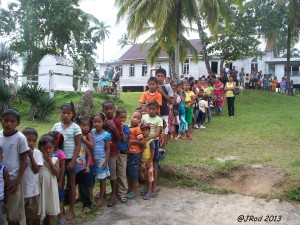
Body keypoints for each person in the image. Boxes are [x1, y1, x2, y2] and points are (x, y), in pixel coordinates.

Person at [52, 103, 82, 220]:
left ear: (73, 115)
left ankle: (72, 210)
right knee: (60, 183)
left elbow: (78, 145)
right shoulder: (56, 126)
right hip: (58, 159)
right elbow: (52, 140)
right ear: (61, 113)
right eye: (63, 112)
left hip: (70, 159)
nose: (65, 115)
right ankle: (61, 208)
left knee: (71, 184)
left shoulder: (75, 127)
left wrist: (73, 161)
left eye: (68, 113)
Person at [0, 109, 29, 225]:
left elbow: (24, 162)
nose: (8, 124)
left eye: (12, 121)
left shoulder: (20, 138)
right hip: (1, 180)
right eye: (6, 120)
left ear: (18, 123)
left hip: (13, 180)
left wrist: (17, 182)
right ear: (1, 120)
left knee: (13, 215)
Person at [102, 100, 123, 207]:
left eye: (111, 109)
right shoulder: (101, 121)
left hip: (113, 152)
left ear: (114, 109)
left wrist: (114, 128)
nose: (109, 111)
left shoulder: (117, 121)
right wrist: (103, 125)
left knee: (113, 175)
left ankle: (114, 194)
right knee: (102, 174)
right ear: (103, 110)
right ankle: (103, 193)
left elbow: (119, 138)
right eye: (107, 109)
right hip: (102, 152)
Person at [22, 128, 43, 225]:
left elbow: (36, 170)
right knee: (18, 216)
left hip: (33, 192)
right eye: (28, 140)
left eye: (34, 141)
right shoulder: (19, 153)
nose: (31, 143)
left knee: (32, 217)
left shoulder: (37, 153)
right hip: (20, 191)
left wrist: (31, 156)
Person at [141, 101, 163, 196]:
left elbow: (157, 134)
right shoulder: (144, 117)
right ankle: (147, 186)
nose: (151, 110)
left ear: (157, 109)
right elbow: (140, 128)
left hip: (154, 142)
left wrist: (147, 138)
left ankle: (154, 186)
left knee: (154, 164)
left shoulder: (159, 119)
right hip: (144, 142)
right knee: (145, 164)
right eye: (150, 108)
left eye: (154, 109)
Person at [38, 134, 60, 225]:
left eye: (50, 148)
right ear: (40, 149)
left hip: (50, 186)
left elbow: (57, 173)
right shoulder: (38, 157)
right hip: (40, 184)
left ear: (54, 148)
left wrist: (49, 162)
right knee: (39, 204)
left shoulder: (55, 159)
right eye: (44, 148)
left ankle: (48, 222)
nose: (47, 150)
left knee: (49, 206)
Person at [91, 113, 111, 207]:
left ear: (103, 122)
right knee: (92, 178)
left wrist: (106, 162)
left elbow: (107, 149)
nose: (97, 124)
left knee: (102, 179)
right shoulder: (91, 132)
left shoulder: (106, 135)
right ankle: (89, 196)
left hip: (101, 160)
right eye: (95, 122)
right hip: (92, 159)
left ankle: (102, 196)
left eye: (99, 122)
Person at [48, 131, 66, 225]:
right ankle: (49, 217)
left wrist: (60, 181)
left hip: (58, 181)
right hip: (49, 181)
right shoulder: (46, 151)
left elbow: (63, 168)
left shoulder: (60, 153)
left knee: (60, 198)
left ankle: (60, 217)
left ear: (55, 142)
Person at [76, 116, 93, 212]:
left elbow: (89, 154)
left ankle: (86, 205)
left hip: (82, 167)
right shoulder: (74, 140)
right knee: (70, 186)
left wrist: (87, 166)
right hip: (73, 167)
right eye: (83, 125)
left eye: (87, 125)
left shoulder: (84, 141)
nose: (86, 127)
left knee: (83, 186)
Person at [126, 111, 144, 199]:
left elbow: (141, 141)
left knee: (133, 173)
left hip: (135, 154)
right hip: (128, 153)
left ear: (140, 121)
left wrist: (131, 141)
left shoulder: (137, 129)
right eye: (134, 117)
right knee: (128, 173)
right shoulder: (128, 128)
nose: (135, 119)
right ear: (130, 117)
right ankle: (129, 189)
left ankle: (133, 190)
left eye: (138, 118)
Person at [155, 68, 173, 152]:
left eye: (162, 76)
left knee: (164, 130)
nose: (160, 78)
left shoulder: (168, 86)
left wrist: (162, 93)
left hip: (164, 111)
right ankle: (155, 147)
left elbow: (171, 100)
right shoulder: (153, 85)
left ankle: (162, 149)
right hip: (154, 112)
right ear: (155, 76)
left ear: (165, 77)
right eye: (158, 76)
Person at [115, 107, 129, 203]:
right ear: (116, 117)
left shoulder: (126, 127)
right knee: (114, 174)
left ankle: (123, 193)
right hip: (113, 153)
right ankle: (115, 192)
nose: (122, 120)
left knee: (121, 173)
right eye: (120, 118)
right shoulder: (113, 126)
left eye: (124, 118)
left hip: (122, 153)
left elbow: (124, 139)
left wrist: (121, 129)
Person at [139, 122, 155, 200]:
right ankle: (146, 189)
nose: (144, 132)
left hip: (148, 162)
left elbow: (153, 151)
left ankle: (150, 191)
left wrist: (149, 161)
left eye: (146, 130)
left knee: (149, 177)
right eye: (142, 130)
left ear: (149, 131)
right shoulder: (141, 140)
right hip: (142, 161)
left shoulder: (151, 141)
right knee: (145, 177)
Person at [0, 147, 10, 225]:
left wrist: (6, 203)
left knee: (2, 221)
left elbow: (7, 187)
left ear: (1, 157)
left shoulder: (4, 170)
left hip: (1, 201)